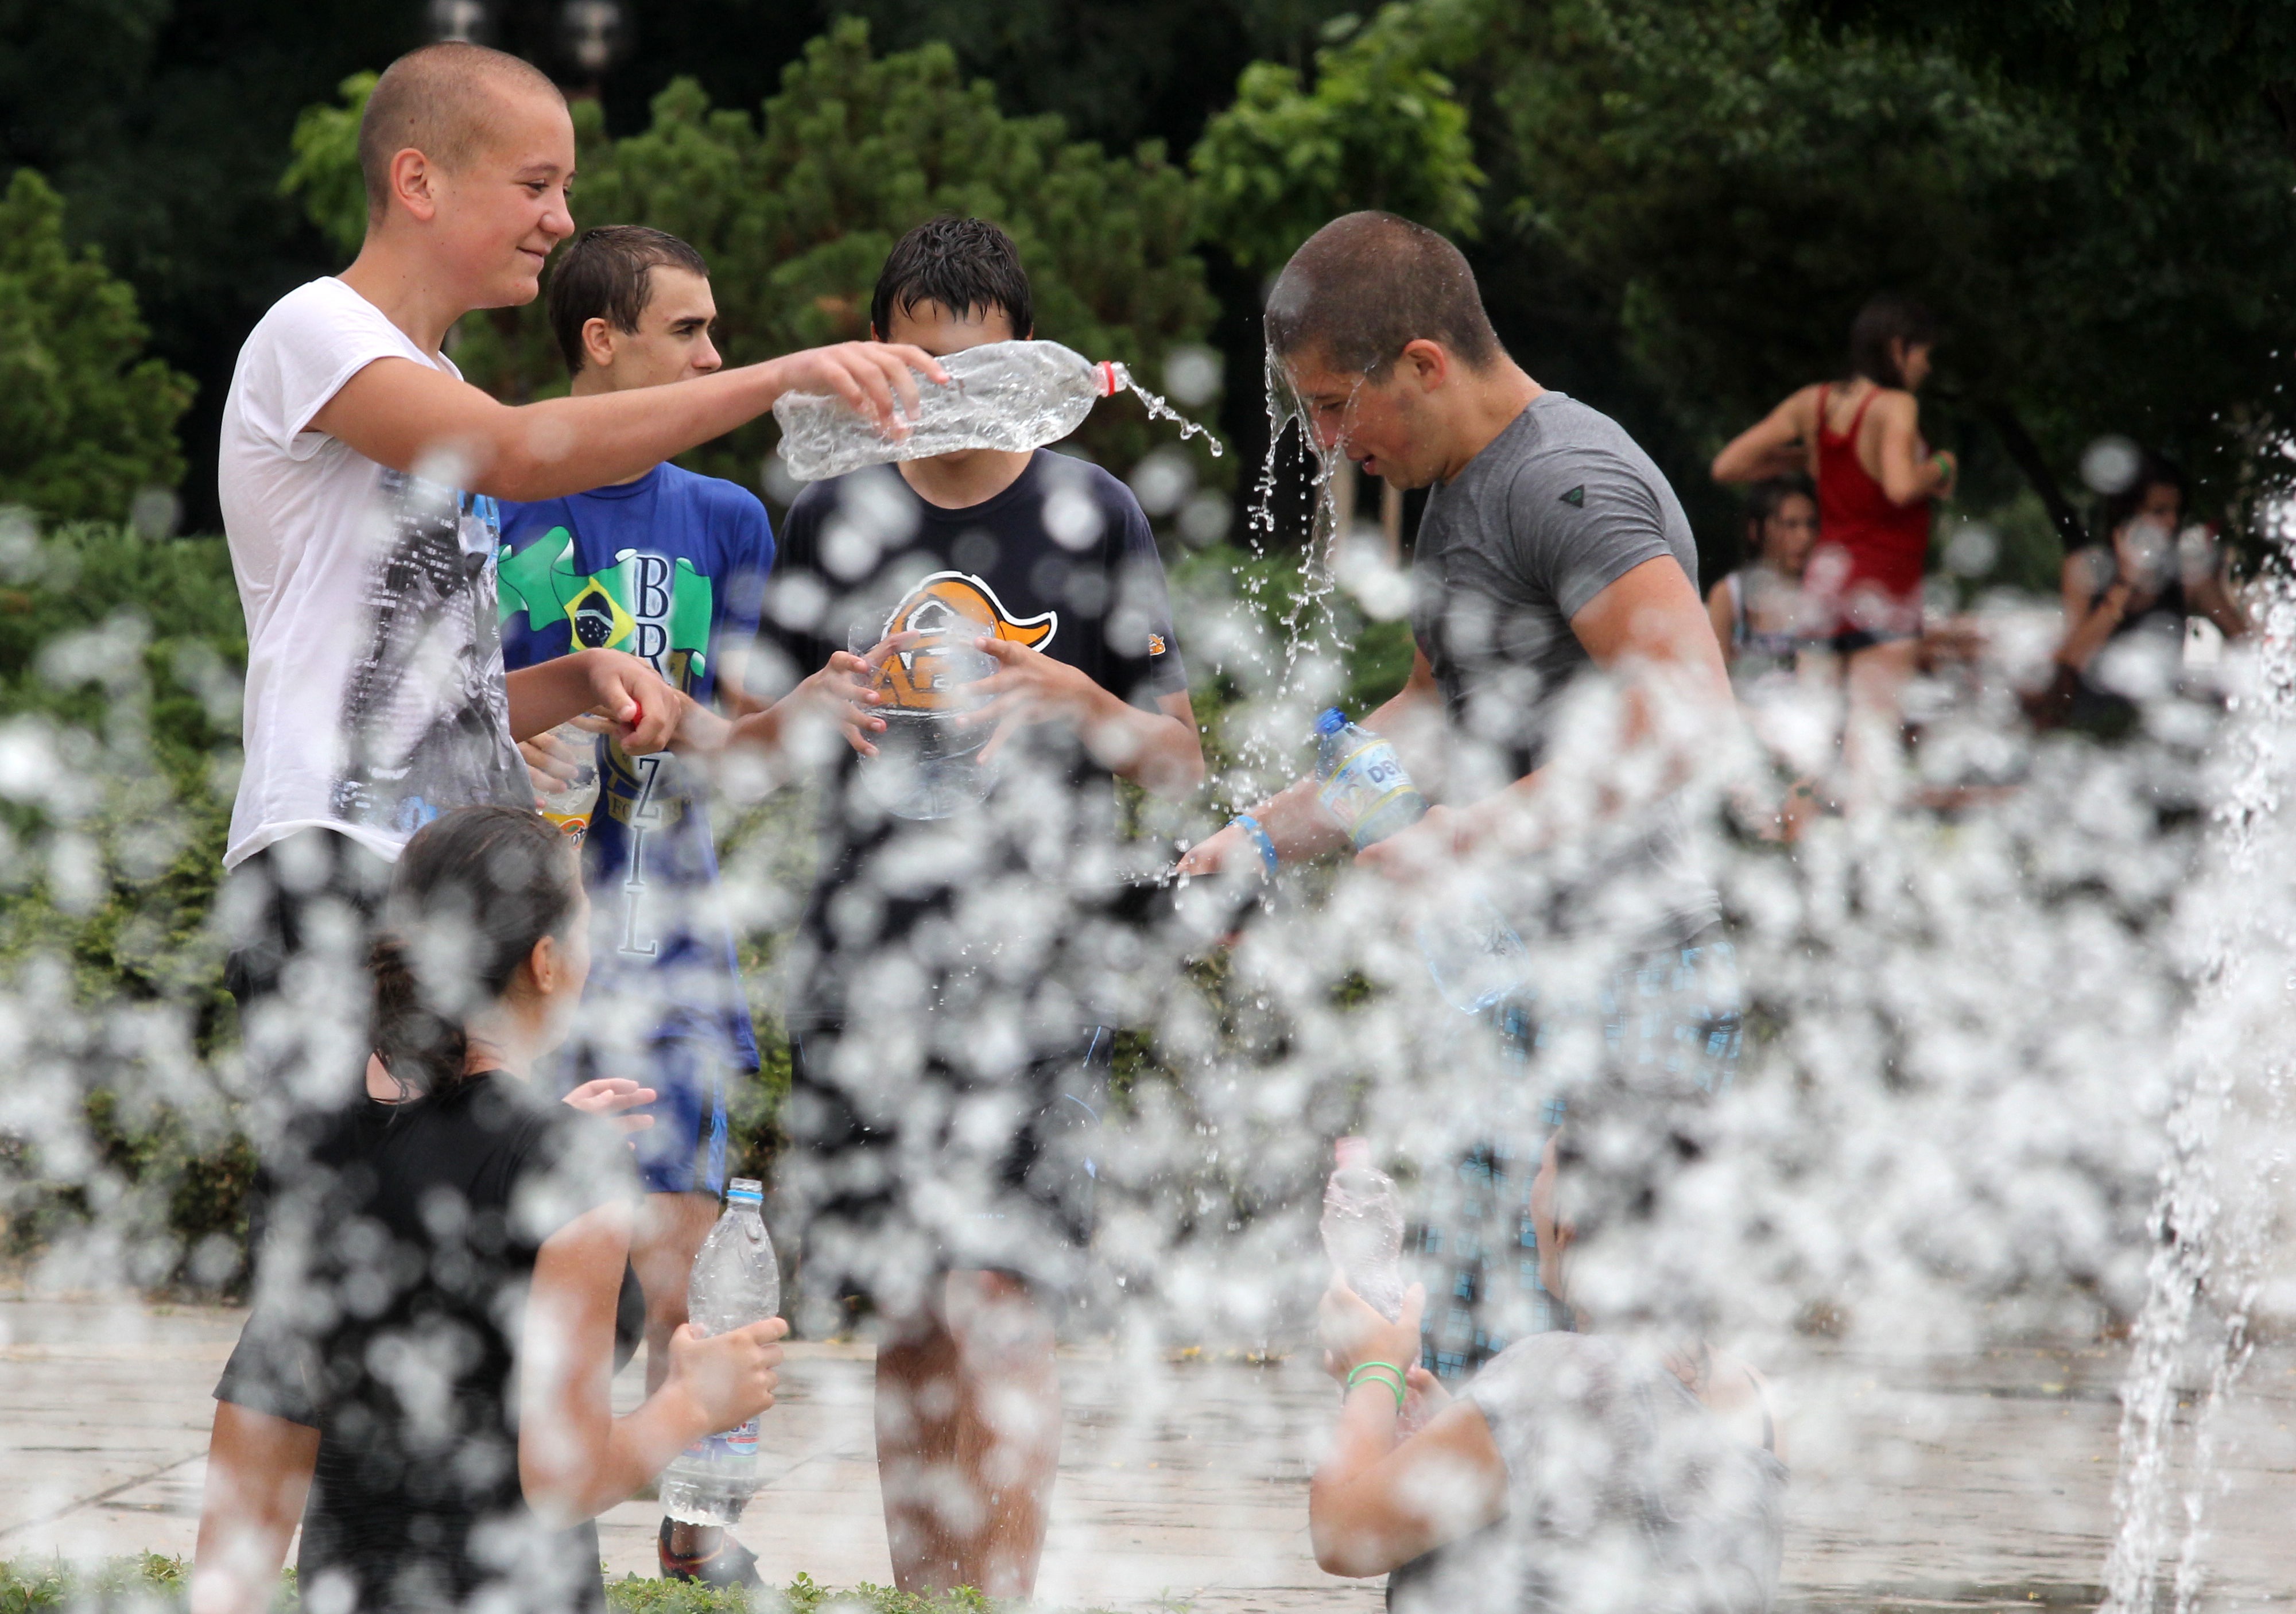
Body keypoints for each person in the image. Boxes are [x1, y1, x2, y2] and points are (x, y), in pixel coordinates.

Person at [207, 36, 940, 1596]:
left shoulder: (429, 388)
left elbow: (415, 684)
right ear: (419, 180)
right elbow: (536, 450)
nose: (556, 219)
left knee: (481, 1291)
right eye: (534, 184)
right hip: (335, 880)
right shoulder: (315, 336)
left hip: (441, 893)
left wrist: (563, 677)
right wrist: (784, 376)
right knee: (338, 1287)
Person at [1174, 212, 1742, 1379]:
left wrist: (1464, 838)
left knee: (1619, 1359)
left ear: (1423, 364)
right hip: (1515, 992)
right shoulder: (1459, 487)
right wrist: (1260, 839)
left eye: (1335, 404)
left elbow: (1691, 713)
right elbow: (1435, 710)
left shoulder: (1565, 483)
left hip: (1634, 991)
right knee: (1487, 1360)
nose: (1327, 440)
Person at [750, 215, 1203, 1598]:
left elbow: (1181, 756)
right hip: (864, 962)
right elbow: (740, 737)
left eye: (977, 363)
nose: (946, 389)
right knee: (906, 1312)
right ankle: (919, 1595)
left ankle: (996, 1596)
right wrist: (808, 706)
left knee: (1004, 1305)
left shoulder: (1091, 514)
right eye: (919, 361)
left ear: (1027, 360)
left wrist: (1078, 700)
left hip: (1032, 967)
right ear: (881, 359)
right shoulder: (831, 513)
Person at [497, 224, 861, 1585]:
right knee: (543, 1244)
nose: (716, 356)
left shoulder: (727, 520)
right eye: (690, 332)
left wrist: (818, 707)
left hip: (679, 936)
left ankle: (697, 1524)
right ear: (604, 341)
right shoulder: (491, 486)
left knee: (694, 1252)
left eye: (719, 333)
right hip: (527, 943)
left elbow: (743, 740)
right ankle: (546, 1519)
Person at [188, 806, 790, 1614]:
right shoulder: (568, 1169)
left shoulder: (327, 1137)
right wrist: (693, 1402)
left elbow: (266, 1416)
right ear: (545, 962)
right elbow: (564, 1481)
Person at [1308, 1131, 1787, 1614]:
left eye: (1542, 1171)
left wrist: (1372, 1370)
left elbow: (1342, 1537)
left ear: (1571, 1217)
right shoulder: (1754, 1393)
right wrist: (1462, 1426)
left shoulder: (1558, 1375)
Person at [1711, 296, 1954, 800]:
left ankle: (1796, 849)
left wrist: (1811, 455)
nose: (1926, 367)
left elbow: (1729, 466)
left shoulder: (1812, 403)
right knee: (1871, 754)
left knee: (1813, 756)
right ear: (1897, 348)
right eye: (1923, 354)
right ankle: (1861, 868)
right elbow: (1900, 486)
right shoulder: (1896, 406)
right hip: (1882, 596)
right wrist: (1944, 468)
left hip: (1825, 598)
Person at [2042, 450, 2247, 736]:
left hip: (2158, 731)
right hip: (2093, 731)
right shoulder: (2086, 568)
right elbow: (2073, 659)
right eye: (2159, 512)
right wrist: (2125, 586)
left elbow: (2244, 639)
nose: (2172, 522)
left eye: (2177, 512)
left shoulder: (2189, 573)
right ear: (2127, 515)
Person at [1706, 475, 1820, 692]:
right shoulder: (1730, 594)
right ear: (1756, 530)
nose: (1805, 537)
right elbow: (1716, 679)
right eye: (1790, 525)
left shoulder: (1821, 594)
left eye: (1811, 524)